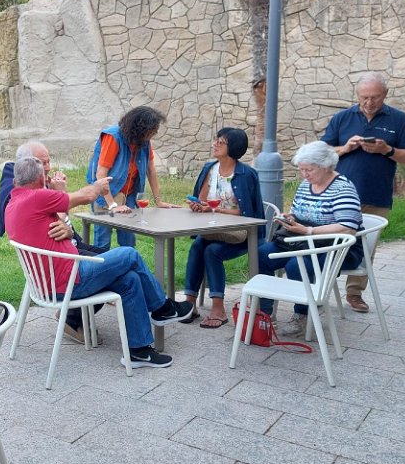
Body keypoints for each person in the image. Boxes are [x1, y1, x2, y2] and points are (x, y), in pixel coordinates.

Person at [6, 156, 195, 369]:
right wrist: (98, 186)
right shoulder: (37, 197)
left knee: (130, 279)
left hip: (50, 282)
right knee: (129, 255)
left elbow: (52, 226)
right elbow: (86, 196)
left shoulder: (14, 202)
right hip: (70, 280)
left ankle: (139, 351)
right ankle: (163, 308)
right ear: (41, 179)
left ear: (15, 181)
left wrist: (68, 229)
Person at [321, 72, 405, 313]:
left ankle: (355, 293)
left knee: (366, 246)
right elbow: (322, 152)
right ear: (357, 95)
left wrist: (387, 150)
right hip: (338, 195)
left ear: (385, 94)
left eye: (375, 97)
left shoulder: (399, 120)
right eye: (364, 97)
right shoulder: (342, 118)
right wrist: (345, 148)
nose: (369, 102)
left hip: (377, 194)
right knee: (330, 241)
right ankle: (321, 288)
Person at [0, 140, 104, 343]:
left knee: (108, 257)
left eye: (48, 161)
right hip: (54, 261)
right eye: (42, 163)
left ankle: (77, 315)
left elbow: (58, 221)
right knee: (114, 267)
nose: (47, 167)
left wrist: (67, 229)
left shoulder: (33, 183)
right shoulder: (20, 191)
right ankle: (72, 319)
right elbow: (40, 225)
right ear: (26, 164)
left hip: (66, 245)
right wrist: (60, 194)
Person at [256, 142, 364, 336]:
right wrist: (289, 218)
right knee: (262, 255)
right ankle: (264, 312)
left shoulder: (343, 188)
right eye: (301, 169)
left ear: (326, 166)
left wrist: (309, 231)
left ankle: (302, 314)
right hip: (303, 240)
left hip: (336, 246)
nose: (304, 174)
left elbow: (347, 227)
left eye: (309, 170)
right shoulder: (306, 185)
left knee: (297, 265)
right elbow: (298, 212)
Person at [183, 128, 264, 329]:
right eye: (216, 140)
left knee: (211, 251)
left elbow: (248, 213)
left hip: (241, 234)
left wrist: (217, 209)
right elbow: (202, 200)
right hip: (213, 230)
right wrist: (197, 205)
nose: (215, 144)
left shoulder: (246, 174)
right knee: (198, 246)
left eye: (221, 142)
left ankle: (218, 309)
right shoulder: (209, 169)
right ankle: (189, 304)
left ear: (233, 147)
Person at [86, 106, 181, 251]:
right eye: (152, 130)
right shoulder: (113, 137)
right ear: (140, 128)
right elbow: (101, 174)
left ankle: (126, 264)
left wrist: (158, 201)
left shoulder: (144, 141)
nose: (155, 133)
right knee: (102, 243)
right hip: (106, 195)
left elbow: (151, 170)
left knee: (128, 242)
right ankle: (102, 265)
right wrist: (113, 205)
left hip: (130, 195)